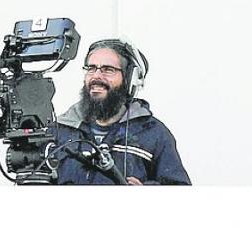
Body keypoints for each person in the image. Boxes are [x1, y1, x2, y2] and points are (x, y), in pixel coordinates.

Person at [51, 38, 190, 185]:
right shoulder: (59, 131)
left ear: (130, 79)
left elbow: (179, 192)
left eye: (108, 70)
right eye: (91, 68)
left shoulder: (154, 134)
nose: (96, 76)